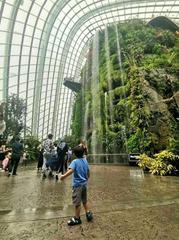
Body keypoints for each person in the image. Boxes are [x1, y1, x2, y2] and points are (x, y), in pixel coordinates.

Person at [60, 145, 93, 226]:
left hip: (77, 185)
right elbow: (88, 172)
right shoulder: (85, 160)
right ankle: (88, 213)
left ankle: (77, 218)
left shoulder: (75, 161)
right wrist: (87, 177)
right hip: (84, 184)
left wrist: (63, 176)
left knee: (77, 203)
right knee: (84, 200)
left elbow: (71, 170)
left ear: (74, 154)